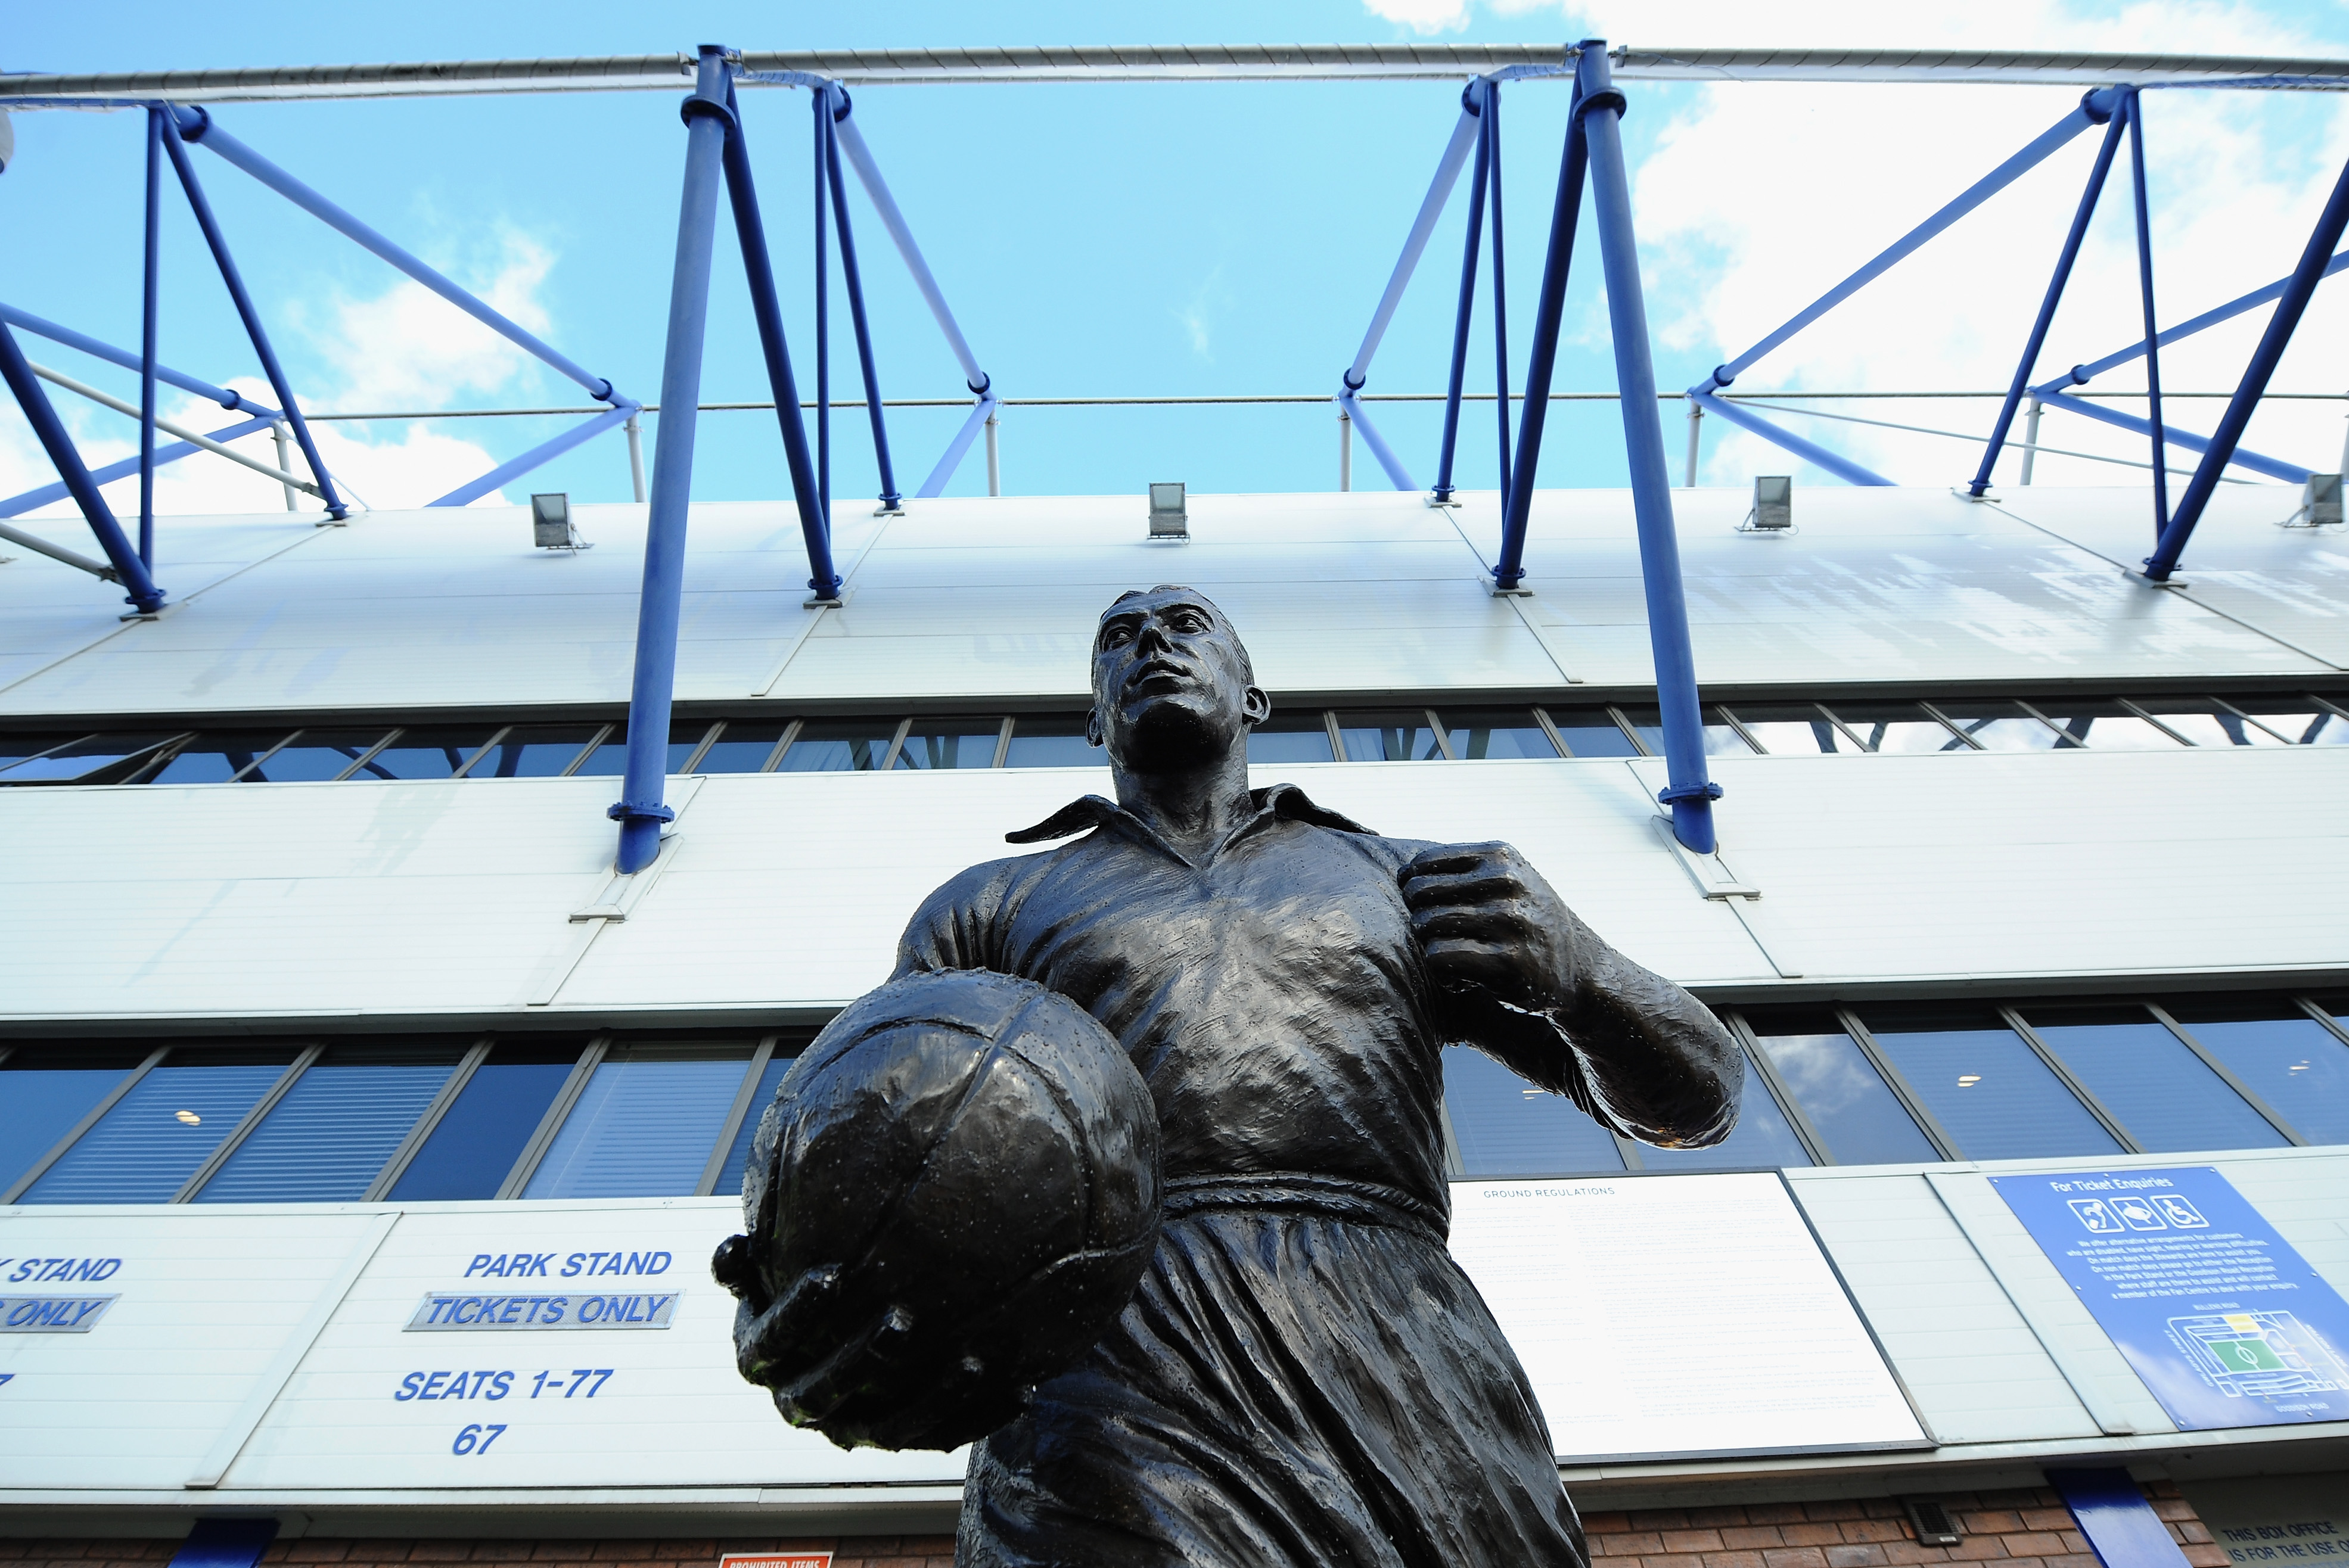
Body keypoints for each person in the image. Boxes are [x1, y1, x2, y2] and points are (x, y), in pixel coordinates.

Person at [892, 586, 1742, 1568]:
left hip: (1399, 1333)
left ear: (1255, 700)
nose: (1152, 644)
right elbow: (882, 1130)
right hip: (1114, 1340)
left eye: (1184, 626)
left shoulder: (1405, 878)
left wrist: (1585, 969)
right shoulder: (989, 905)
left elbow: (1698, 1102)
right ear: (1095, 716)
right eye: (1118, 639)